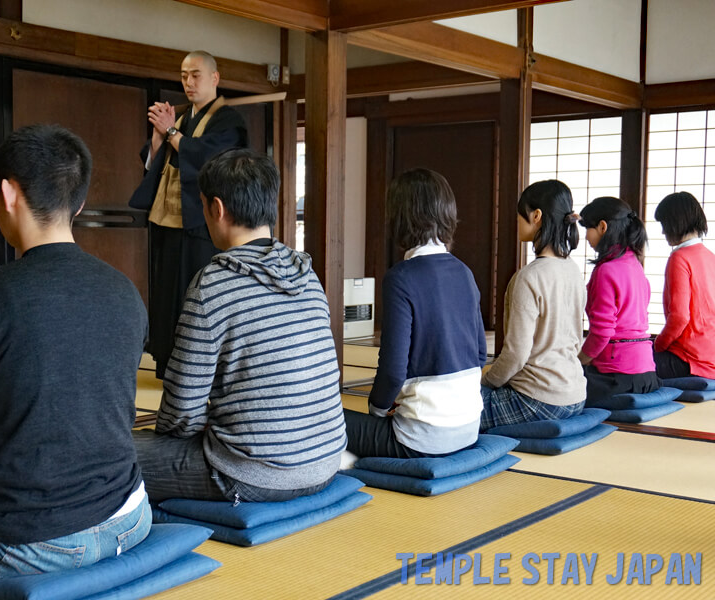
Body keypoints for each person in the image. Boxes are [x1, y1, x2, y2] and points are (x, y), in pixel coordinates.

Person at [0, 124, 150, 583]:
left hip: (31, 542)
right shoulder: (125, 291)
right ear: (78, 203)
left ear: (7, 193)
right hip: (131, 518)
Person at [133, 148, 346, 504]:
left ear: (216, 208)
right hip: (325, 462)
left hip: (251, 475)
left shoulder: (213, 283)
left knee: (108, 459)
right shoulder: (307, 274)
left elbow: (180, 413)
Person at [342, 169, 486, 461]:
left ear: (398, 218)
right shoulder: (464, 272)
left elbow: (394, 369)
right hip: (470, 428)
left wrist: (378, 409)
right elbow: (481, 355)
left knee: (324, 418)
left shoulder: (401, 278)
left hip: (421, 439)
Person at [130, 50, 249, 379]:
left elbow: (211, 156)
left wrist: (170, 133)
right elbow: (158, 163)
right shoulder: (181, 119)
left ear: (215, 78)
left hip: (203, 228)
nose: (188, 82)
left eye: (196, 74)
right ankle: (168, 363)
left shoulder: (228, 120)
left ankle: (199, 369)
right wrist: (158, 139)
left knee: (196, 294)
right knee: (167, 295)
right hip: (169, 224)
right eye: (184, 75)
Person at [480, 179, 586, 430]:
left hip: (537, 401)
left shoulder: (529, 277)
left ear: (536, 215)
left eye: (520, 214)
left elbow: (516, 354)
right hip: (576, 395)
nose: (516, 220)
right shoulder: (573, 269)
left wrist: (487, 381)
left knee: (450, 410)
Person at [577, 197, 661, 402]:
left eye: (588, 228)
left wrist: (579, 361)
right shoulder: (635, 264)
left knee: (558, 388)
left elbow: (602, 332)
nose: (586, 237)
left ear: (602, 227)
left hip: (617, 377)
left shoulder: (606, 270)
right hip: (648, 375)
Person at [653, 191, 715, 379]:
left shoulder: (679, 258)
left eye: (664, 225)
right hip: (710, 356)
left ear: (674, 223)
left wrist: (658, 344)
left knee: (623, 366)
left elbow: (679, 317)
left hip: (688, 359)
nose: (663, 232)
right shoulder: (710, 256)